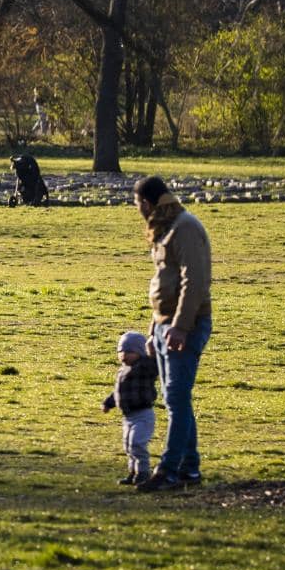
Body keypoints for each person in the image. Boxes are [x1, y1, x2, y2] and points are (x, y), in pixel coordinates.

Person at [134, 175, 212, 493]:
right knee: (174, 398)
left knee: (177, 399)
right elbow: (163, 283)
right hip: (166, 324)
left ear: (148, 203)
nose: (137, 209)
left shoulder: (185, 228)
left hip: (186, 326)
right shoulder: (165, 229)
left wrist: (180, 327)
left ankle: (168, 470)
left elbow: (194, 281)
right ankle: (189, 469)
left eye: (137, 203)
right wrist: (155, 328)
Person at [103, 330, 160, 486]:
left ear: (140, 352)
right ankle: (133, 472)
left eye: (129, 352)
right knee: (128, 446)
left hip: (143, 415)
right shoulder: (122, 371)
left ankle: (143, 472)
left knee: (137, 443)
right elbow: (118, 391)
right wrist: (109, 403)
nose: (124, 355)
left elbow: (155, 365)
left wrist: (152, 352)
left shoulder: (144, 367)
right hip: (128, 417)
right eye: (120, 351)